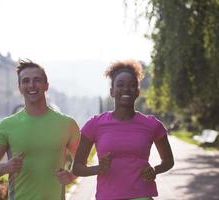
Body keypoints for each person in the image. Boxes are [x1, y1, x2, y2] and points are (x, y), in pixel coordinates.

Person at [73, 60, 174, 200]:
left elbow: (168, 160)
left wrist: (155, 170)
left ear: (138, 92)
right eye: (120, 85)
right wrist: (98, 168)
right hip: (107, 196)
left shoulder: (151, 124)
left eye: (132, 85)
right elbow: (77, 167)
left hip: (141, 194)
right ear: (112, 91)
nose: (126, 89)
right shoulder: (95, 124)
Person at [0, 60, 80, 200]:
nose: (31, 85)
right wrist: (5, 168)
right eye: (26, 81)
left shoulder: (67, 124)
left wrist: (71, 175)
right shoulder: (7, 125)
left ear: (46, 86)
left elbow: (80, 161)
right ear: (20, 87)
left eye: (37, 80)